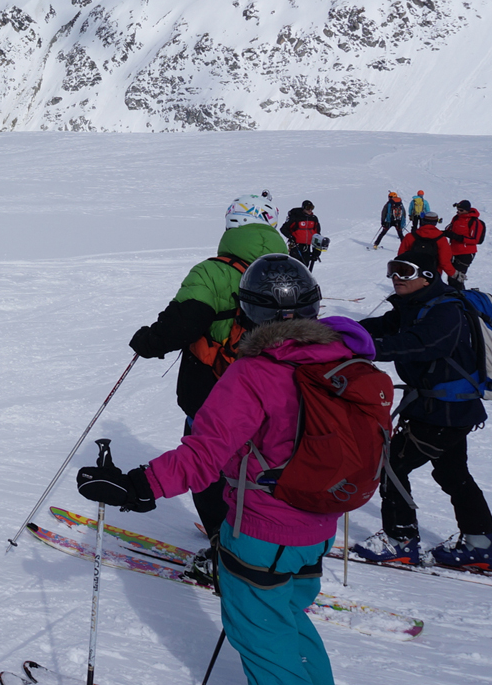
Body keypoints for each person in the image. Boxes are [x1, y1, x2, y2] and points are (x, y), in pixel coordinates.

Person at [80, 255, 360, 685]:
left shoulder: (255, 373)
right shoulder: (341, 360)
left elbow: (203, 454)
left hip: (264, 532)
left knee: (263, 642)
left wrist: (135, 486)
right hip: (318, 526)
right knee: (287, 623)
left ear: (247, 312)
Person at [127, 192, 287, 580]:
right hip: (273, 391)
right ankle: (262, 540)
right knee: (254, 468)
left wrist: (147, 341)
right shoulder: (288, 269)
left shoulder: (212, 272)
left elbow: (182, 324)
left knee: (208, 469)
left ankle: (224, 554)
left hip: (215, 392)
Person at [350, 251, 492, 570]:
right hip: (441, 409)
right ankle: (479, 543)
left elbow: (422, 344)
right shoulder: (413, 306)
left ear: (427, 276)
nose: (395, 277)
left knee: (392, 465)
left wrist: (367, 347)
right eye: (392, 270)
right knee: (453, 473)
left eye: (404, 271)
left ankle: (400, 541)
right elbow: (379, 327)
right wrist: (340, 333)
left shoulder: (446, 310)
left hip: (445, 412)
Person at [399, 210, 457, 283]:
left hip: (412, 274)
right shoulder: (441, 239)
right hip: (433, 275)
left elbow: (401, 256)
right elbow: (444, 261)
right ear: (435, 223)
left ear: (422, 221)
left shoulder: (410, 237)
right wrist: (453, 274)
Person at [445, 200, 485, 288]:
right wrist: (445, 233)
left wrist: (458, 237)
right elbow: (450, 230)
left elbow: (475, 239)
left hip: (465, 253)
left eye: (461, 210)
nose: (459, 212)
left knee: (457, 279)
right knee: (451, 277)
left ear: (467, 210)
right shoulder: (456, 218)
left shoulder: (474, 221)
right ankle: (453, 296)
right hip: (453, 251)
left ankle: (460, 297)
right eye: (458, 210)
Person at [280, 201, 322, 269]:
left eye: (312, 208)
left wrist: (317, 250)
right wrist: (291, 237)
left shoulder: (314, 219)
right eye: (308, 208)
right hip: (296, 246)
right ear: (303, 208)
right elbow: (283, 229)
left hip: (307, 246)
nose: (310, 210)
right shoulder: (296, 218)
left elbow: (317, 234)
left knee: (305, 266)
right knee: (294, 265)